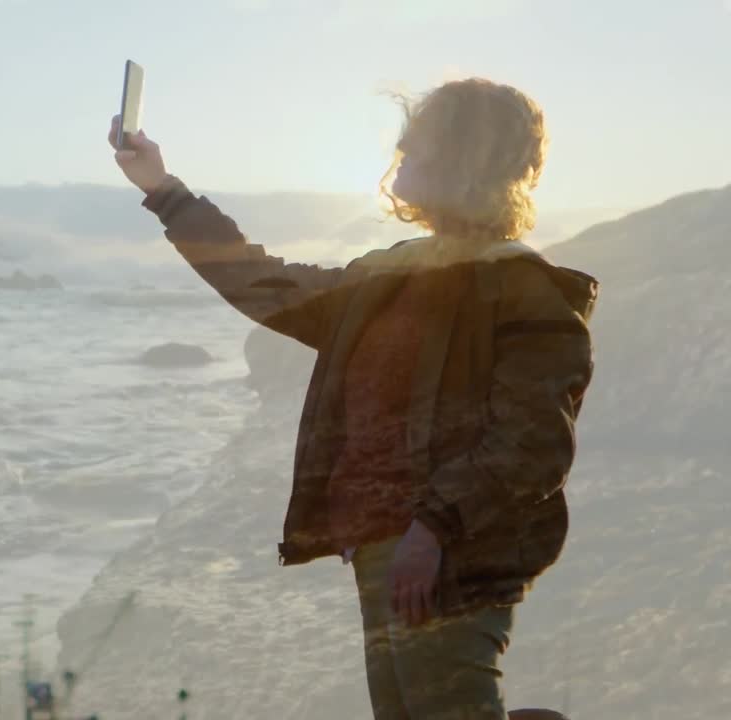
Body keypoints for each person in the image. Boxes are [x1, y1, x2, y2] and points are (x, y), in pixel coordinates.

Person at [108, 77, 597, 719]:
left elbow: (533, 446)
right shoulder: (390, 272)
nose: (400, 158)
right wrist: (163, 190)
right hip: (380, 546)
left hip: (451, 551)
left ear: (464, 160)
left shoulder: (527, 291)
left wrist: (432, 529)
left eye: (417, 147)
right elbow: (266, 284)